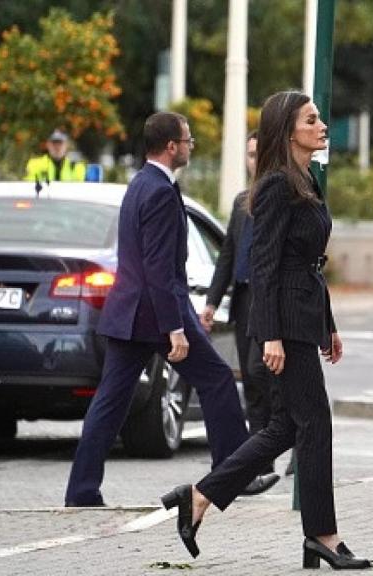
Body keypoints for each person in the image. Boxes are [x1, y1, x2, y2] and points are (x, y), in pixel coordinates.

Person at [160, 91, 373, 570]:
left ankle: (198, 496)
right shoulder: (276, 185)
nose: (322, 127)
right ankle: (323, 536)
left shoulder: (306, 178)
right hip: (285, 323)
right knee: (314, 424)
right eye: (312, 120)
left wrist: (330, 324)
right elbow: (264, 263)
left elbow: (310, 264)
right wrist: (270, 334)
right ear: (288, 131)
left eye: (320, 118)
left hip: (304, 316)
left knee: (283, 428)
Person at [64, 112, 279, 507]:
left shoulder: (139, 183)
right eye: (188, 140)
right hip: (158, 314)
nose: (191, 146)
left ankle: (81, 491)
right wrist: (174, 328)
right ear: (171, 146)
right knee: (216, 379)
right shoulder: (161, 192)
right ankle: (234, 475)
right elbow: (159, 268)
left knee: (109, 403)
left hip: (128, 314)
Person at [201, 132, 275, 477]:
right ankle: (260, 459)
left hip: (269, 298)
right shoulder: (241, 200)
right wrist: (212, 302)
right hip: (244, 298)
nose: (253, 161)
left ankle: (277, 445)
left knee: (261, 372)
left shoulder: (279, 197)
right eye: (248, 154)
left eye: (258, 154)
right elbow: (228, 254)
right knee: (250, 377)